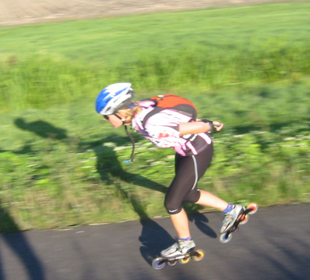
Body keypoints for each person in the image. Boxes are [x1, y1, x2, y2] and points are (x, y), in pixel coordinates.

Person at [95, 82, 244, 258]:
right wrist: (202, 123)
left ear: (119, 113)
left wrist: (207, 125)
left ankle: (185, 245)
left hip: (197, 152)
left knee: (172, 203)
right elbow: (175, 117)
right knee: (187, 194)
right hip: (185, 151)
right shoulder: (141, 108)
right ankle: (233, 211)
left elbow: (189, 127)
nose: (105, 120)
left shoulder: (150, 124)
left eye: (106, 116)